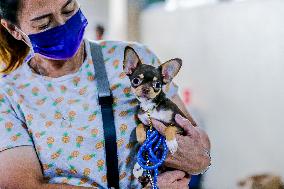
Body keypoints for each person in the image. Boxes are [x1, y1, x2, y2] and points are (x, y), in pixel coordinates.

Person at [0, 0, 211, 188]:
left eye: (69, 9)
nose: (63, 25)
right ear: (13, 29)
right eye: (43, 23)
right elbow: (22, 184)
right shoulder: (8, 95)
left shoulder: (132, 60)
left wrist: (200, 159)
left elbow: (194, 139)